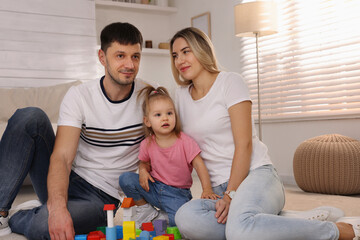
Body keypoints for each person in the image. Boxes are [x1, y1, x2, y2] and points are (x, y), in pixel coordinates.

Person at [169, 27, 360, 240]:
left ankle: (337, 231)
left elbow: (245, 145)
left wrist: (231, 195)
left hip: (256, 176)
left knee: (239, 231)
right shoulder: (180, 96)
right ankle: (282, 222)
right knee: (185, 218)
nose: (179, 60)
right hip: (216, 190)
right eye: (175, 55)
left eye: (186, 51)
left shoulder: (230, 82)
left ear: (201, 50)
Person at [0, 22, 151, 240]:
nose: (129, 64)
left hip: (100, 196)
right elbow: (61, 157)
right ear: (102, 57)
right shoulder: (80, 95)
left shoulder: (148, 96)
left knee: (45, 227)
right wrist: (58, 208)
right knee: (29, 117)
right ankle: (2, 212)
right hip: (68, 177)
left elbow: (162, 146)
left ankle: (28, 213)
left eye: (135, 56)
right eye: (120, 56)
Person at [119, 85, 219, 228]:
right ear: (147, 121)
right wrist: (142, 170)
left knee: (180, 222)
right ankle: (146, 210)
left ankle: (163, 217)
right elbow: (144, 162)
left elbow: (199, 164)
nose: (165, 118)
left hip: (177, 194)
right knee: (126, 179)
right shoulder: (147, 143)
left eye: (169, 113)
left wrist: (207, 188)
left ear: (175, 116)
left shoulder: (185, 141)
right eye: (158, 115)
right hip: (153, 187)